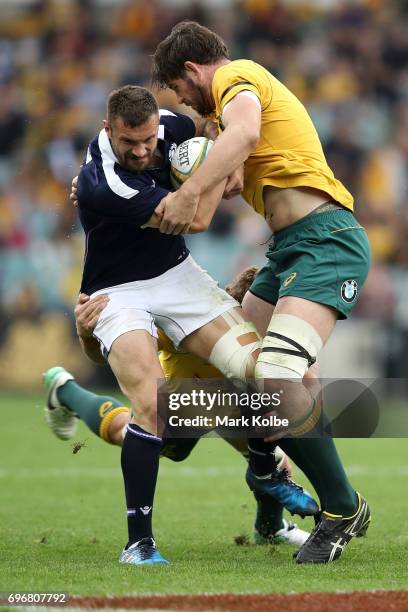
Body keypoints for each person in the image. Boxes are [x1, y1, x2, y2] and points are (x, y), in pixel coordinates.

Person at [56, 84, 316, 565]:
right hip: (119, 292)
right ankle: (138, 544)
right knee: (151, 412)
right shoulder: (102, 182)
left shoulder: (170, 128)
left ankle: (266, 490)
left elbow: (214, 126)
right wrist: (211, 172)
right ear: (106, 130)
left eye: (147, 140)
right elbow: (194, 218)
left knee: (262, 373)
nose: (141, 151)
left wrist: (223, 155)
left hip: (179, 278)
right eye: (128, 142)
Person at [151, 22, 372, 563]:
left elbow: (244, 137)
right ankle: (271, 507)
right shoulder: (225, 115)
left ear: (193, 71)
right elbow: (220, 185)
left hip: (326, 241)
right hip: (287, 248)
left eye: (181, 93)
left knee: (277, 378)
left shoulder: (238, 77)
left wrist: (193, 189)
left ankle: (344, 508)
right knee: (247, 375)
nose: (186, 105)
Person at [43, 267, 310, 547]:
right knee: (124, 433)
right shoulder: (193, 327)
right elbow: (105, 356)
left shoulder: (273, 338)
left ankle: (270, 528)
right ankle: (64, 388)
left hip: (227, 407)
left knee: (274, 457)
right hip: (176, 411)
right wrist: (87, 335)